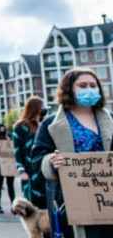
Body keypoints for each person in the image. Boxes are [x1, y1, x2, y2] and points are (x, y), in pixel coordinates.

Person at [32, 68, 113, 238]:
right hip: (71, 199)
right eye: (82, 86)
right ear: (69, 90)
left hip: (108, 195)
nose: (89, 89)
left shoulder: (111, 119)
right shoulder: (50, 123)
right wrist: (51, 161)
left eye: (93, 85)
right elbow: (37, 158)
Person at [11, 96, 46, 209]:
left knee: (47, 206)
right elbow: (17, 151)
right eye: (42, 107)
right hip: (29, 171)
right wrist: (21, 171)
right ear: (35, 108)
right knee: (32, 206)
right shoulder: (20, 127)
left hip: (44, 170)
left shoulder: (43, 125)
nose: (44, 109)